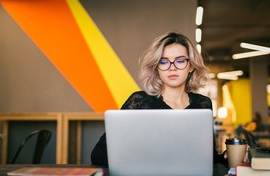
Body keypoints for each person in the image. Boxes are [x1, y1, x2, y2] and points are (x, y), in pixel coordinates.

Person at [91, 31, 225, 166]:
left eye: (180, 61)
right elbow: (98, 156)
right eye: (163, 61)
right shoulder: (139, 102)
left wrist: (226, 157)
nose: (172, 68)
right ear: (157, 68)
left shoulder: (203, 103)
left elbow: (208, 158)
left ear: (190, 66)